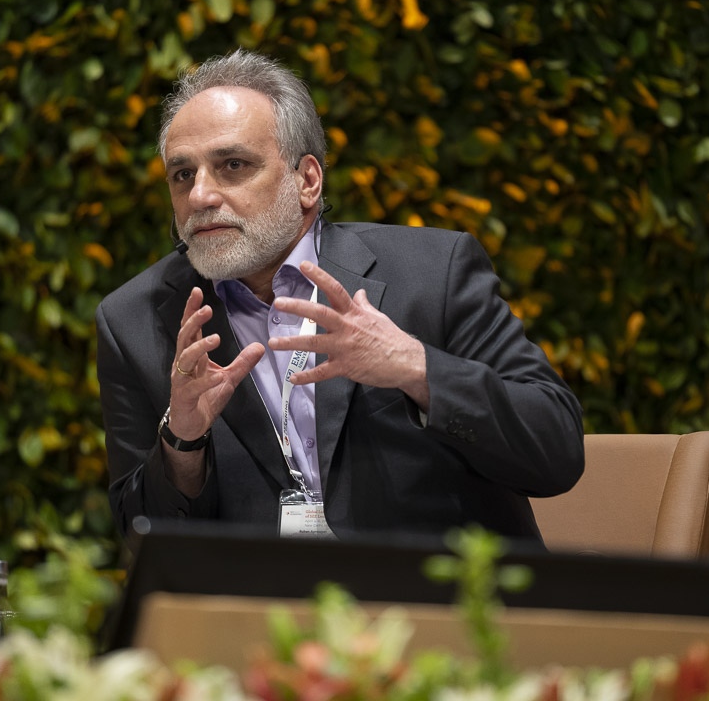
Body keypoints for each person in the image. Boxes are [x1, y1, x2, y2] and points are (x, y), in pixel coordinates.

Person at [96, 49, 584, 543]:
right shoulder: (135, 322)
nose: (200, 195)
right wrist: (181, 443)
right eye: (183, 175)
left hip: (437, 602)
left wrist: (417, 367)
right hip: (266, 611)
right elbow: (139, 540)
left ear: (306, 180)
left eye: (232, 165)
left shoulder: (433, 273)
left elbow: (556, 449)